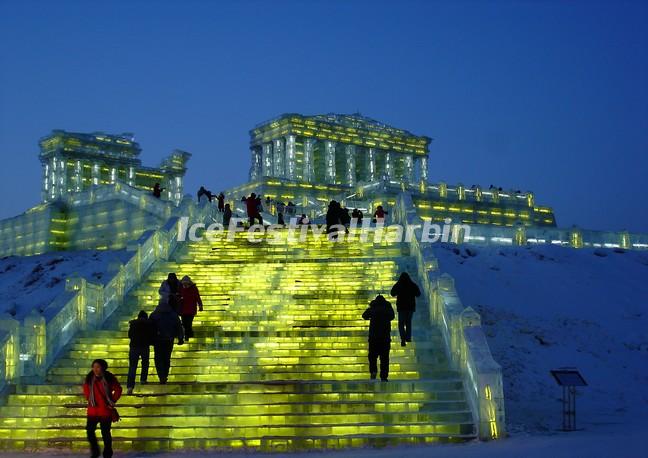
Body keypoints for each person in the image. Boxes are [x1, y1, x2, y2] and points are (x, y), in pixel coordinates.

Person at [83, 358, 122, 458]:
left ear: (103, 368)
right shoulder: (89, 378)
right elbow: (86, 390)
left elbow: (118, 389)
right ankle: (95, 451)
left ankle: (107, 453)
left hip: (105, 410)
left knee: (105, 433)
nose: (96, 369)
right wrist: (90, 399)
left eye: (98, 367)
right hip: (93, 410)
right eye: (94, 367)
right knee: (89, 431)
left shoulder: (109, 377)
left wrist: (112, 401)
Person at [149, 297, 184, 384]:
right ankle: (165, 374)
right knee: (166, 358)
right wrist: (180, 337)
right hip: (169, 339)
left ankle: (161, 376)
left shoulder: (154, 315)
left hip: (158, 340)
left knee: (158, 358)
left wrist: (149, 339)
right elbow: (179, 326)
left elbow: (149, 328)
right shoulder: (173, 314)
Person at [362, 295, 395, 382]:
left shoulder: (373, 307)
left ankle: (373, 371)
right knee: (384, 358)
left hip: (374, 337)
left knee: (372, 357)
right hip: (385, 337)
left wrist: (371, 316)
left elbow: (364, 315)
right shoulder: (387, 307)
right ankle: (384, 376)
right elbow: (392, 316)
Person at [126, 310, 155, 395]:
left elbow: (130, 335)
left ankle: (130, 386)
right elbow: (152, 335)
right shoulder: (149, 324)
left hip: (134, 346)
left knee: (132, 366)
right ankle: (143, 379)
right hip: (145, 346)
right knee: (145, 363)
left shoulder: (133, 324)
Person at [390, 272, 421, 347]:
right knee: (408, 322)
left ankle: (403, 339)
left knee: (401, 324)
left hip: (401, 307)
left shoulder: (399, 284)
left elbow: (392, 293)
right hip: (410, 307)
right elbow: (418, 294)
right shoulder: (412, 284)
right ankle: (408, 338)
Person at [179, 275, 203, 341]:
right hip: (183, 309)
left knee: (188, 323)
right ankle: (188, 334)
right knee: (184, 323)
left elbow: (197, 297)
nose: (185, 284)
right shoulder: (181, 288)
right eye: (184, 283)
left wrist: (200, 305)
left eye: (186, 283)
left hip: (191, 309)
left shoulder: (193, 288)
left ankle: (188, 335)